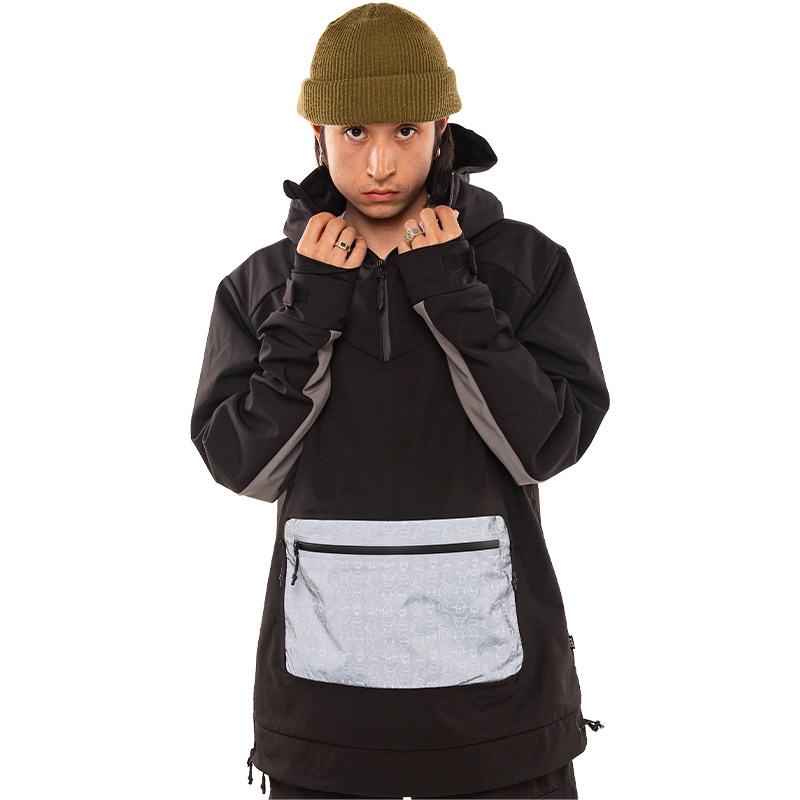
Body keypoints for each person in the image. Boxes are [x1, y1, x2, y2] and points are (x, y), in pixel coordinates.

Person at [190, 3, 610, 798]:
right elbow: (241, 465)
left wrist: (453, 295)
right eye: (354, 132)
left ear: (443, 128)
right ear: (316, 134)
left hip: (498, 717)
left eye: (406, 131)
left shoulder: (526, 264)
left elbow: (548, 445)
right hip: (326, 716)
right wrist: (309, 309)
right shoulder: (263, 284)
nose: (380, 162)